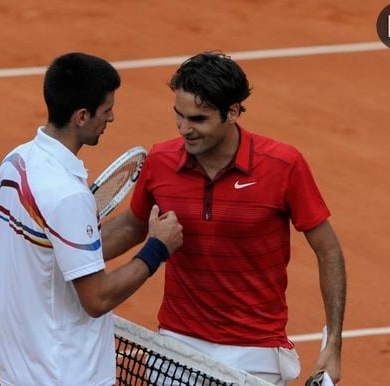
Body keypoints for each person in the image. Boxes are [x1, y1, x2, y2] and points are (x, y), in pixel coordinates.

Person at [101, 51, 346, 386]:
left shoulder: (283, 165)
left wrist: (333, 343)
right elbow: (132, 226)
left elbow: (328, 250)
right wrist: (68, 252)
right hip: (178, 344)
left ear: (232, 112)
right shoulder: (161, 160)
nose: (184, 129)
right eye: (179, 115)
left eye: (198, 119)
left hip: (255, 351)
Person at [0, 52, 183, 386]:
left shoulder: (17, 161)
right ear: (82, 116)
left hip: (19, 374)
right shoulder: (69, 196)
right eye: (107, 110)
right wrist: (158, 247)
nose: (111, 118)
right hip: (67, 376)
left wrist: (60, 244)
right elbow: (97, 299)